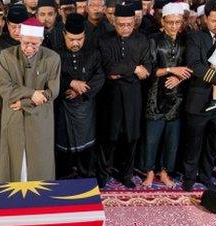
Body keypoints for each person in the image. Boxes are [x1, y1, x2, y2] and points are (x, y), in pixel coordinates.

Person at [0, 17, 61, 182]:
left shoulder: (53, 58)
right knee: (14, 158)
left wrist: (24, 102)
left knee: (40, 160)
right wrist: (32, 93)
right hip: (14, 116)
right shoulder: (6, 56)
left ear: (41, 41)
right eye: (25, 43)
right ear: (20, 38)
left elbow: (52, 91)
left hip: (39, 117)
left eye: (34, 44)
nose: (29, 48)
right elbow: (4, 87)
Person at [97, 3, 152, 188]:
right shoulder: (104, 39)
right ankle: (103, 175)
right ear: (114, 21)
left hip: (133, 96)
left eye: (129, 24)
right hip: (111, 97)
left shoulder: (142, 40)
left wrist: (124, 71)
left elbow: (147, 70)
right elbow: (109, 68)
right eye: (121, 24)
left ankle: (127, 175)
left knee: (131, 138)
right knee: (108, 138)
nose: (126, 28)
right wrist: (134, 68)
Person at [182, 0, 216, 192]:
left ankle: (206, 176)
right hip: (199, 99)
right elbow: (195, 65)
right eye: (214, 20)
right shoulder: (196, 37)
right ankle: (188, 176)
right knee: (194, 141)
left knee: (213, 143)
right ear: (205, 18)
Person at [142, 3, 190, 188]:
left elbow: (191, 67)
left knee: (172, 139)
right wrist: (171, 69)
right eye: (170, 22)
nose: (174, 26)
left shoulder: (186, 40)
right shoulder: (154, 40)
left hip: (177, 97)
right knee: (152, 138)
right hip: (155, 94)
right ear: (163, 21)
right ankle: (149, 172)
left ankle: (164, 172)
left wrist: (179, 78)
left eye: (178, 22)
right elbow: (151, 70)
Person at [0, 4, 29, 183]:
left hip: (30, 99)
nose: (17, 31)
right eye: (13, 26)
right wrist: (9, 82)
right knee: (4, 136)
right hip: (5, 99)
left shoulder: (35, 42)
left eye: (20, 27)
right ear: (7, 25)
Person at [53, 13, 104, 179]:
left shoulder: (93, 53)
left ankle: (86, 174)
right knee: (63, 141)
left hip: (85, 106)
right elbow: (50, 77)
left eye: (80, 39)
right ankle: (64, 174)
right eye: (72, 39)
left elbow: (100, 76)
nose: (76, 43)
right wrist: (70, 83)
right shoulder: (55, 55)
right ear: (64, 35)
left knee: (86, 140)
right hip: (63, 107)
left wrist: (81, 89)